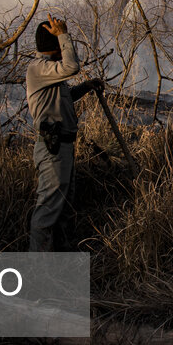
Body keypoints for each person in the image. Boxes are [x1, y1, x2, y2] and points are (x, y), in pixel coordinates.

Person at [26, 14, 101, 251]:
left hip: (61, 148)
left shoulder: (49, 72)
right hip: (53, 148)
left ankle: (60, 263)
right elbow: (72, 66)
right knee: (47, 212)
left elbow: (62, 98)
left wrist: (85, 88)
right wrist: (63, 36)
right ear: (54, 45)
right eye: (58, 42)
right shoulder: (39, 68)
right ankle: (37, 270)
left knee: (64, 208)